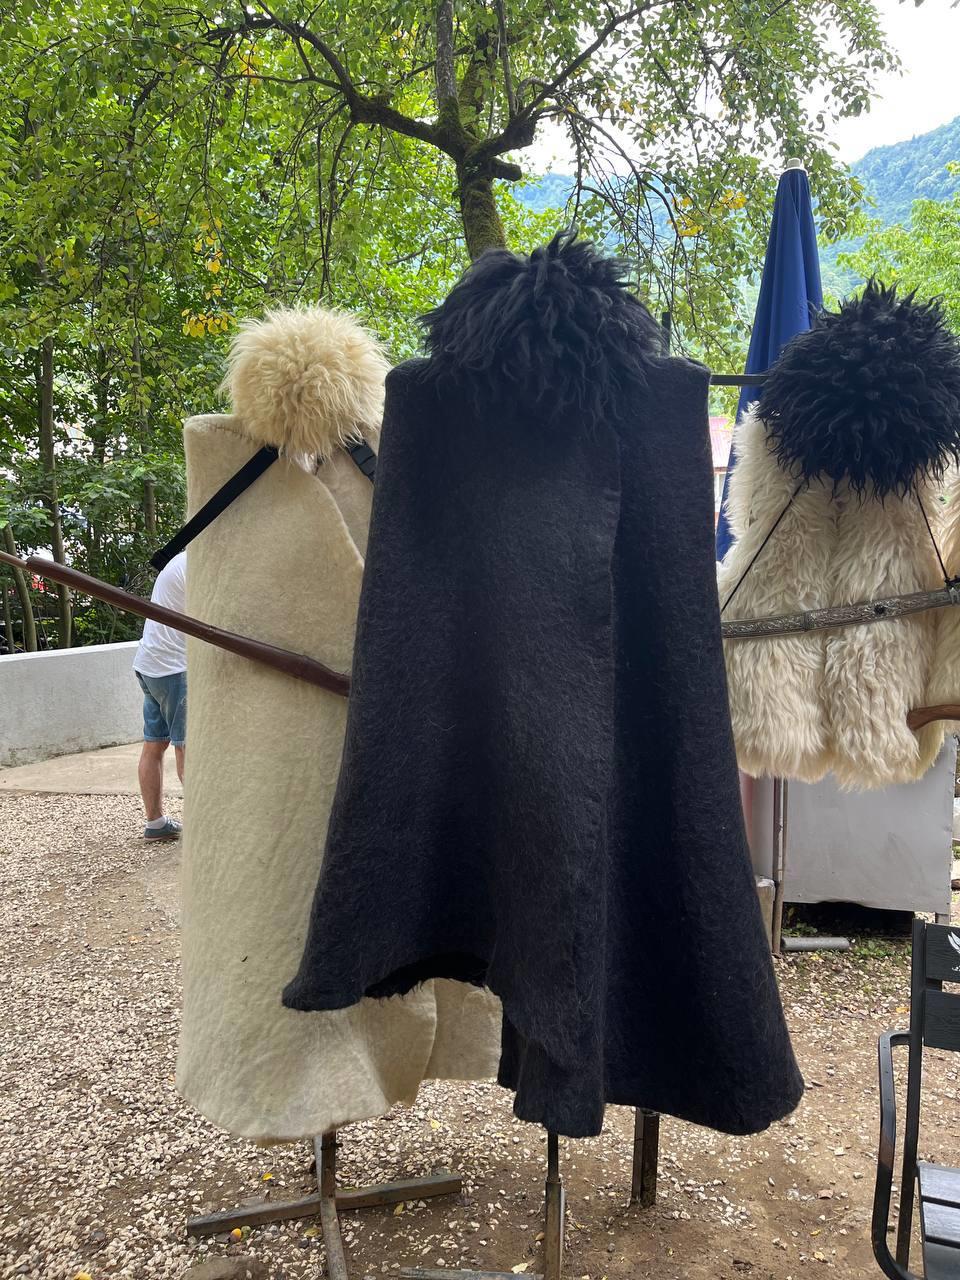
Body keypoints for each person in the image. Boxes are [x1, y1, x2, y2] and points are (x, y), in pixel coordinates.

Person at [133, 551, 187, 840]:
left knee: (154, 745)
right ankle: (206, 832)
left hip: (149, 664)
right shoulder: (197, 566)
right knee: (188, 748)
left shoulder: (179, 561)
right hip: (174, 668)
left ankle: (155, 823)